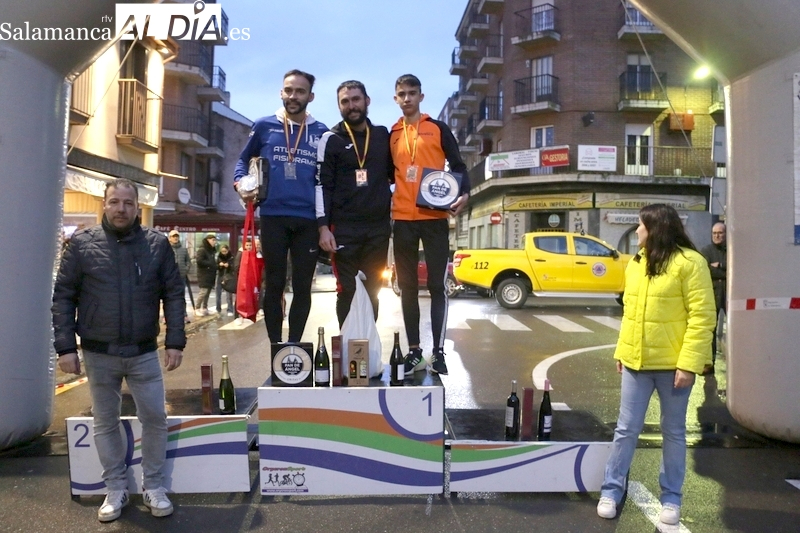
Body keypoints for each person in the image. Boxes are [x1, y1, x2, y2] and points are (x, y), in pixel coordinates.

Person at [52, 178, 185, 522]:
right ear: (105, 204)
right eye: (114, 202)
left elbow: (173, 294)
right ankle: (115, 488)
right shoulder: (82, 244)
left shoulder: (156, 244)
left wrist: (175, 341)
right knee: (104, 421)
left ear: (137, 207)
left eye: (128, 203)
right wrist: (66, 347)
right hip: (98, 353)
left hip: (143, 352)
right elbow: (63, 297)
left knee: (154, 418)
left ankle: (153, 486)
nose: (121, 209)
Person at [596, 204, 715, 526]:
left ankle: (671, 498)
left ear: (655, 228)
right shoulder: (637, 263)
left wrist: (688, 365)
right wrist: (622, 351)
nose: (637, 231)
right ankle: (611, 490)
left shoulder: (691, 263)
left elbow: (702, 318)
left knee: (673, 432)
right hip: (635, 364)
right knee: (626, 430)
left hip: (674, 368)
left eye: (641, 226)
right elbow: (630, 313)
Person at [234, 69, 328, 343]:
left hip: (307, 219)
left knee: (302, 287)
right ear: (281, 93)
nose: (293, 96)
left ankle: (294, 346)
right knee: (274, 284)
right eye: (289, 90)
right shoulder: (264, 125)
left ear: (310, 96)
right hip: (273, 215)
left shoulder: (321, 131)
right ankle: (276, 348)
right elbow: (242, 160)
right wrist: (240, 182)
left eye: (300, 91)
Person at [389, 74, 470, 376]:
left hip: (434, 217)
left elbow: (458, 165)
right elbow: (386, 175)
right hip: (402, 219)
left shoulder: (438, 128)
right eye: (402, 94)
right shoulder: (392, 134)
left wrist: (464, 194)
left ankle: (438, 353)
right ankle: (414, 352)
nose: (407, 98)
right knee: (407, 287)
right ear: (395, 99)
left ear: (421, 96)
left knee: (437, 285)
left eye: (412, 93)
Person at [316, 80, 393, 327]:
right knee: (347, 290)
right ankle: (348, 346)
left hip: (378, 229)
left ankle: (367, 347)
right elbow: (321, 185)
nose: (352, 106)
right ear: (339, 106)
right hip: (344, 228)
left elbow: (396, 175)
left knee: (373, 291)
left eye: (356, 99)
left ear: (367, 101)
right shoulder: (330, 139)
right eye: (345, 101)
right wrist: (323, 227)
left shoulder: (382, 135)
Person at [700, 222, 727, 374]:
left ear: (726, 234)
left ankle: (738, 362)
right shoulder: (706, 251)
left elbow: (736, 268)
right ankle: (709, 363)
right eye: (714, 233)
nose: (717, 236)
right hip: (712, 294)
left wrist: (720, 265)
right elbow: (705, 270)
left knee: (737, 329)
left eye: (720, 233)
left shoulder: (732, 250)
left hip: (729, 294)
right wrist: (724, 271)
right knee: (710, 330)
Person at [168, 229, 192, 322]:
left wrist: (185, 270)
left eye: (177, 236)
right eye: (173, 236)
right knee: (169, 297)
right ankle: (168, 316)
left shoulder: (184, 250)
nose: (175, 238)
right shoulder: (166, 249)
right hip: (170, 277)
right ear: (170, 238)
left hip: (181, 276)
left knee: (181, 296)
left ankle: (184, 314)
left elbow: (188, 262)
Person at [195, 233, 217, 316]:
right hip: (204, 274)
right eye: (213, 240)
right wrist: (210, 263)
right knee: (203, 292)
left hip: (210, 274)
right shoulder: (202, 250)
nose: (214, 242)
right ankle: (197, 308)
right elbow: (199, 261)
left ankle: (205, 308)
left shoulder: (211, 251)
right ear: (208, 240)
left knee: (207, 292)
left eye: (215, 240)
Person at [216, 244, 234, 316]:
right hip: (220, 276)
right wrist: (219, 265)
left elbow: (234, 266)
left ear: (228, 250)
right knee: (218, 294)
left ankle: (230, 309)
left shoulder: (231, 257)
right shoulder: (218, 257)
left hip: (228, 277)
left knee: (229, 295)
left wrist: (229, 265)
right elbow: (215, 266)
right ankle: (218, 309)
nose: (224, 253)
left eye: (225, 251)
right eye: (222, 251)